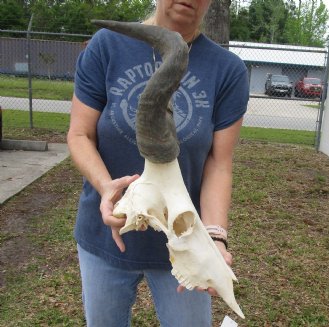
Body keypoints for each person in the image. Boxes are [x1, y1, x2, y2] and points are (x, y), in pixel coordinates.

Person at [67, 0, 249, 326]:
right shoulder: (106, 47)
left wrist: (216, 237)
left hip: (184, 242)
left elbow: (219, 164)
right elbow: (79, 135)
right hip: (107, 236)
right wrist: (106, 186)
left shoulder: (227, 70)